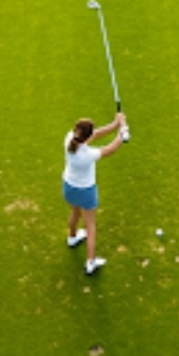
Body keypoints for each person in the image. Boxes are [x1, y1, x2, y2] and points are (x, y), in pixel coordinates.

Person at [62, 114, 126, 275]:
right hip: (85, 191)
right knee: (90, 226)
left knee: (75, 212)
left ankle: (72, 237)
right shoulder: (87, 154)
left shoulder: (70, 139)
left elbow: (94, 135)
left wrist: (115, 124)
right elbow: (109, 149)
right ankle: (90, 262)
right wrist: (122, 134)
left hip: (69, 187)